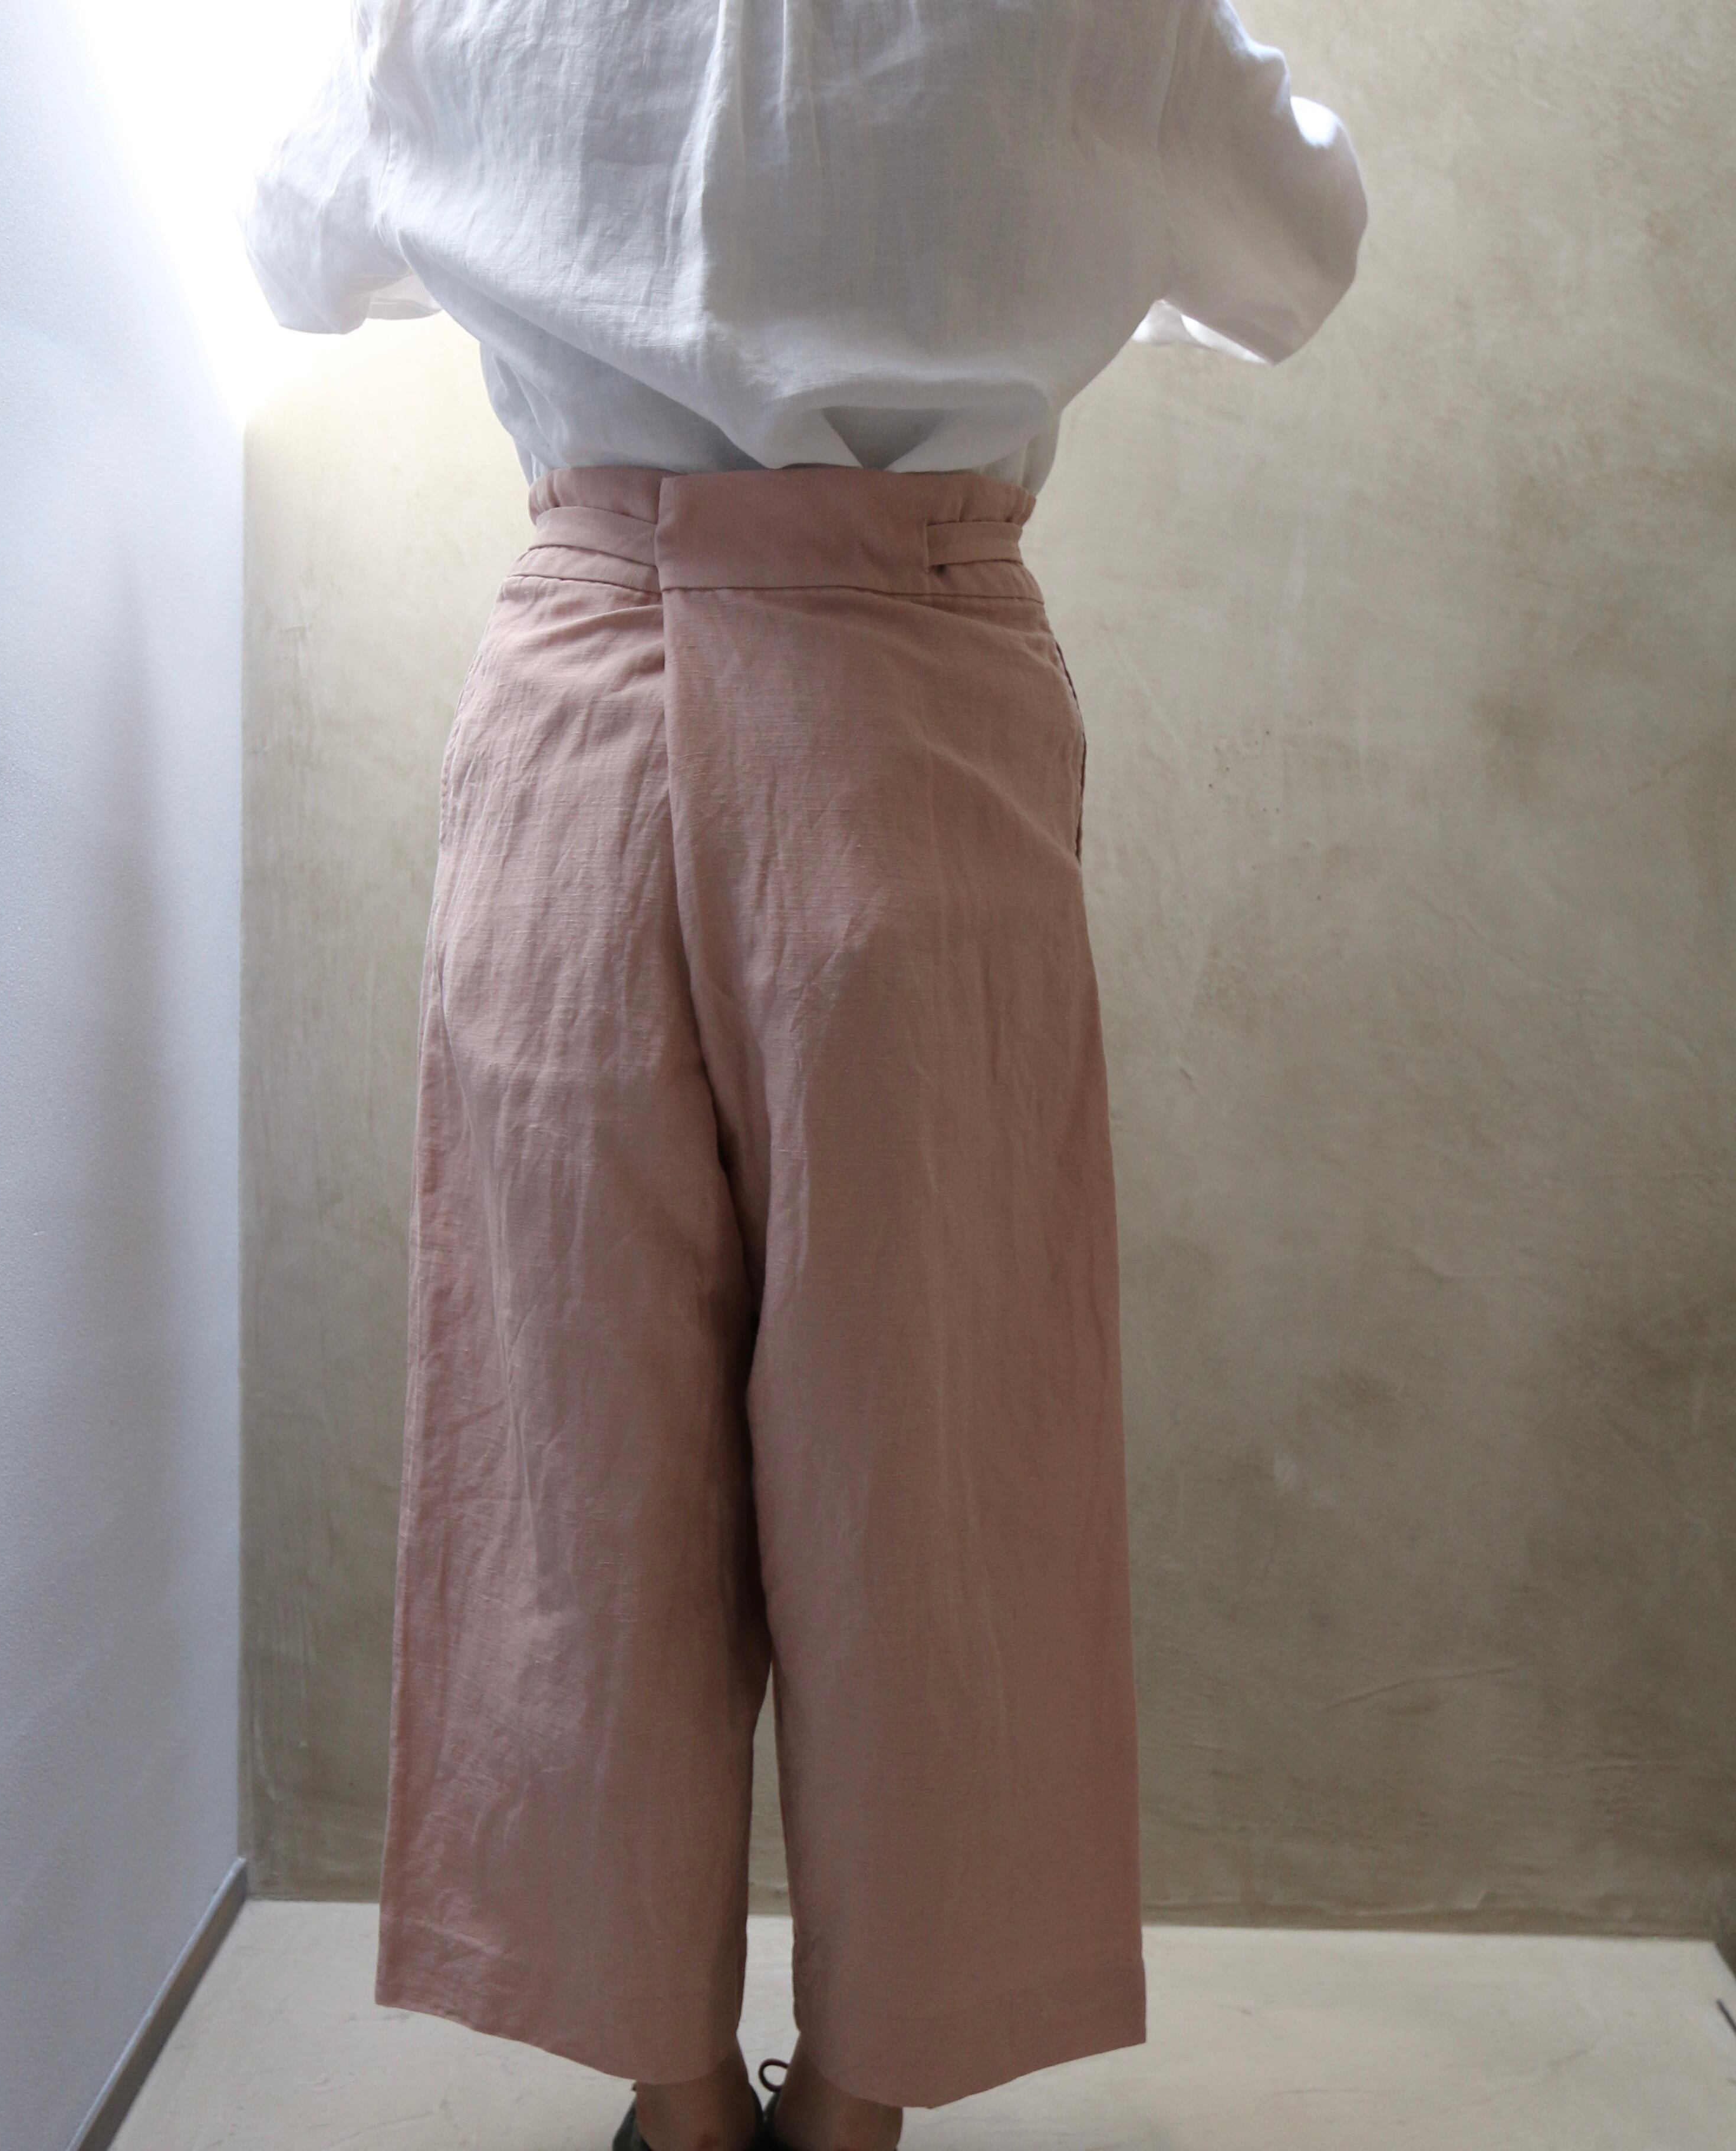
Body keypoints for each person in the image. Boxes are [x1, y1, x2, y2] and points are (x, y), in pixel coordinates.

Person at [242, 6, 1365, 2149]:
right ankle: (851, 2117)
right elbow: (1300, 248)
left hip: (580, 702)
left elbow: (297, 248)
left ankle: (678, 2113)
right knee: (931, 1462)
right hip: (911, 707)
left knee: (572, 1455)